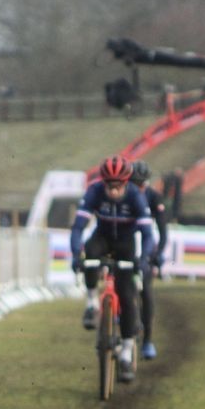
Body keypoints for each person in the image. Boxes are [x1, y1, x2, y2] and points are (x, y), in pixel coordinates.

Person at [70, 156, 155, 382]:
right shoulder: (95, 191)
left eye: (118, 186)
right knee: (89, 252)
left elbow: (148, 235)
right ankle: (91, 303)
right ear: (103, 183)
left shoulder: (136, 197)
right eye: (109, 186)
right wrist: (75, 254)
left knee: (127, 297)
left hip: (126, 244)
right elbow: (78, 227)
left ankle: (126, 353)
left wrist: (144, 258)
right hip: (103, 237)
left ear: (126, 183)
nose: (114, 191)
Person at [129, 161, 168, 359]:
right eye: (134, 184)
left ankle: (148, 340)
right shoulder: (124, 196)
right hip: (126, 244)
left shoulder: (153, 197)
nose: (138, 188)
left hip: (145, 245)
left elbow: (162, 230)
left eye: (141, 184)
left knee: (146, 291)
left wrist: (158, 253)